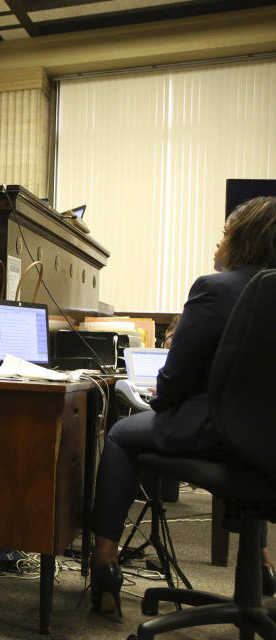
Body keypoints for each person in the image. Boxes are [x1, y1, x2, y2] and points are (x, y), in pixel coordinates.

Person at [89, 196, 276, 617]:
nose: (216, 245)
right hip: (266, 449)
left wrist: (160, 399)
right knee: (258, 443)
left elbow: (172, 386)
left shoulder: (215, 289)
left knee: (120, 435)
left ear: (244, 239)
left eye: (224, 235)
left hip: (216, 434)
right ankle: (264, 565)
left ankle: (105, 563)